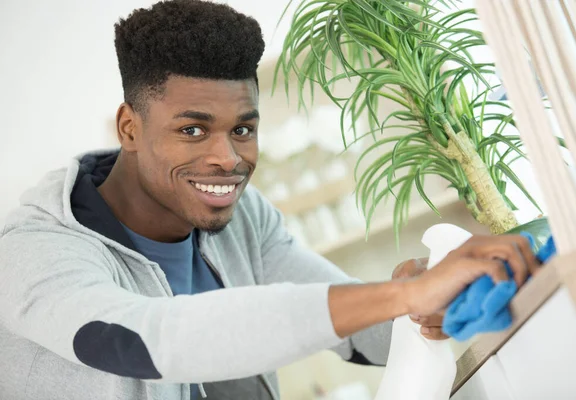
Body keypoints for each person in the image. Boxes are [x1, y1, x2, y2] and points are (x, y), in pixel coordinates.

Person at [0, 1, 540, 399]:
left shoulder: (238, 217)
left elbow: (358, 335)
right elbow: (148, 341)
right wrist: (401, 298)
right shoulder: (33, 251)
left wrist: (421, 301)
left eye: (243, 129)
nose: (227, 159)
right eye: (192, 130)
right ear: (130, 127)